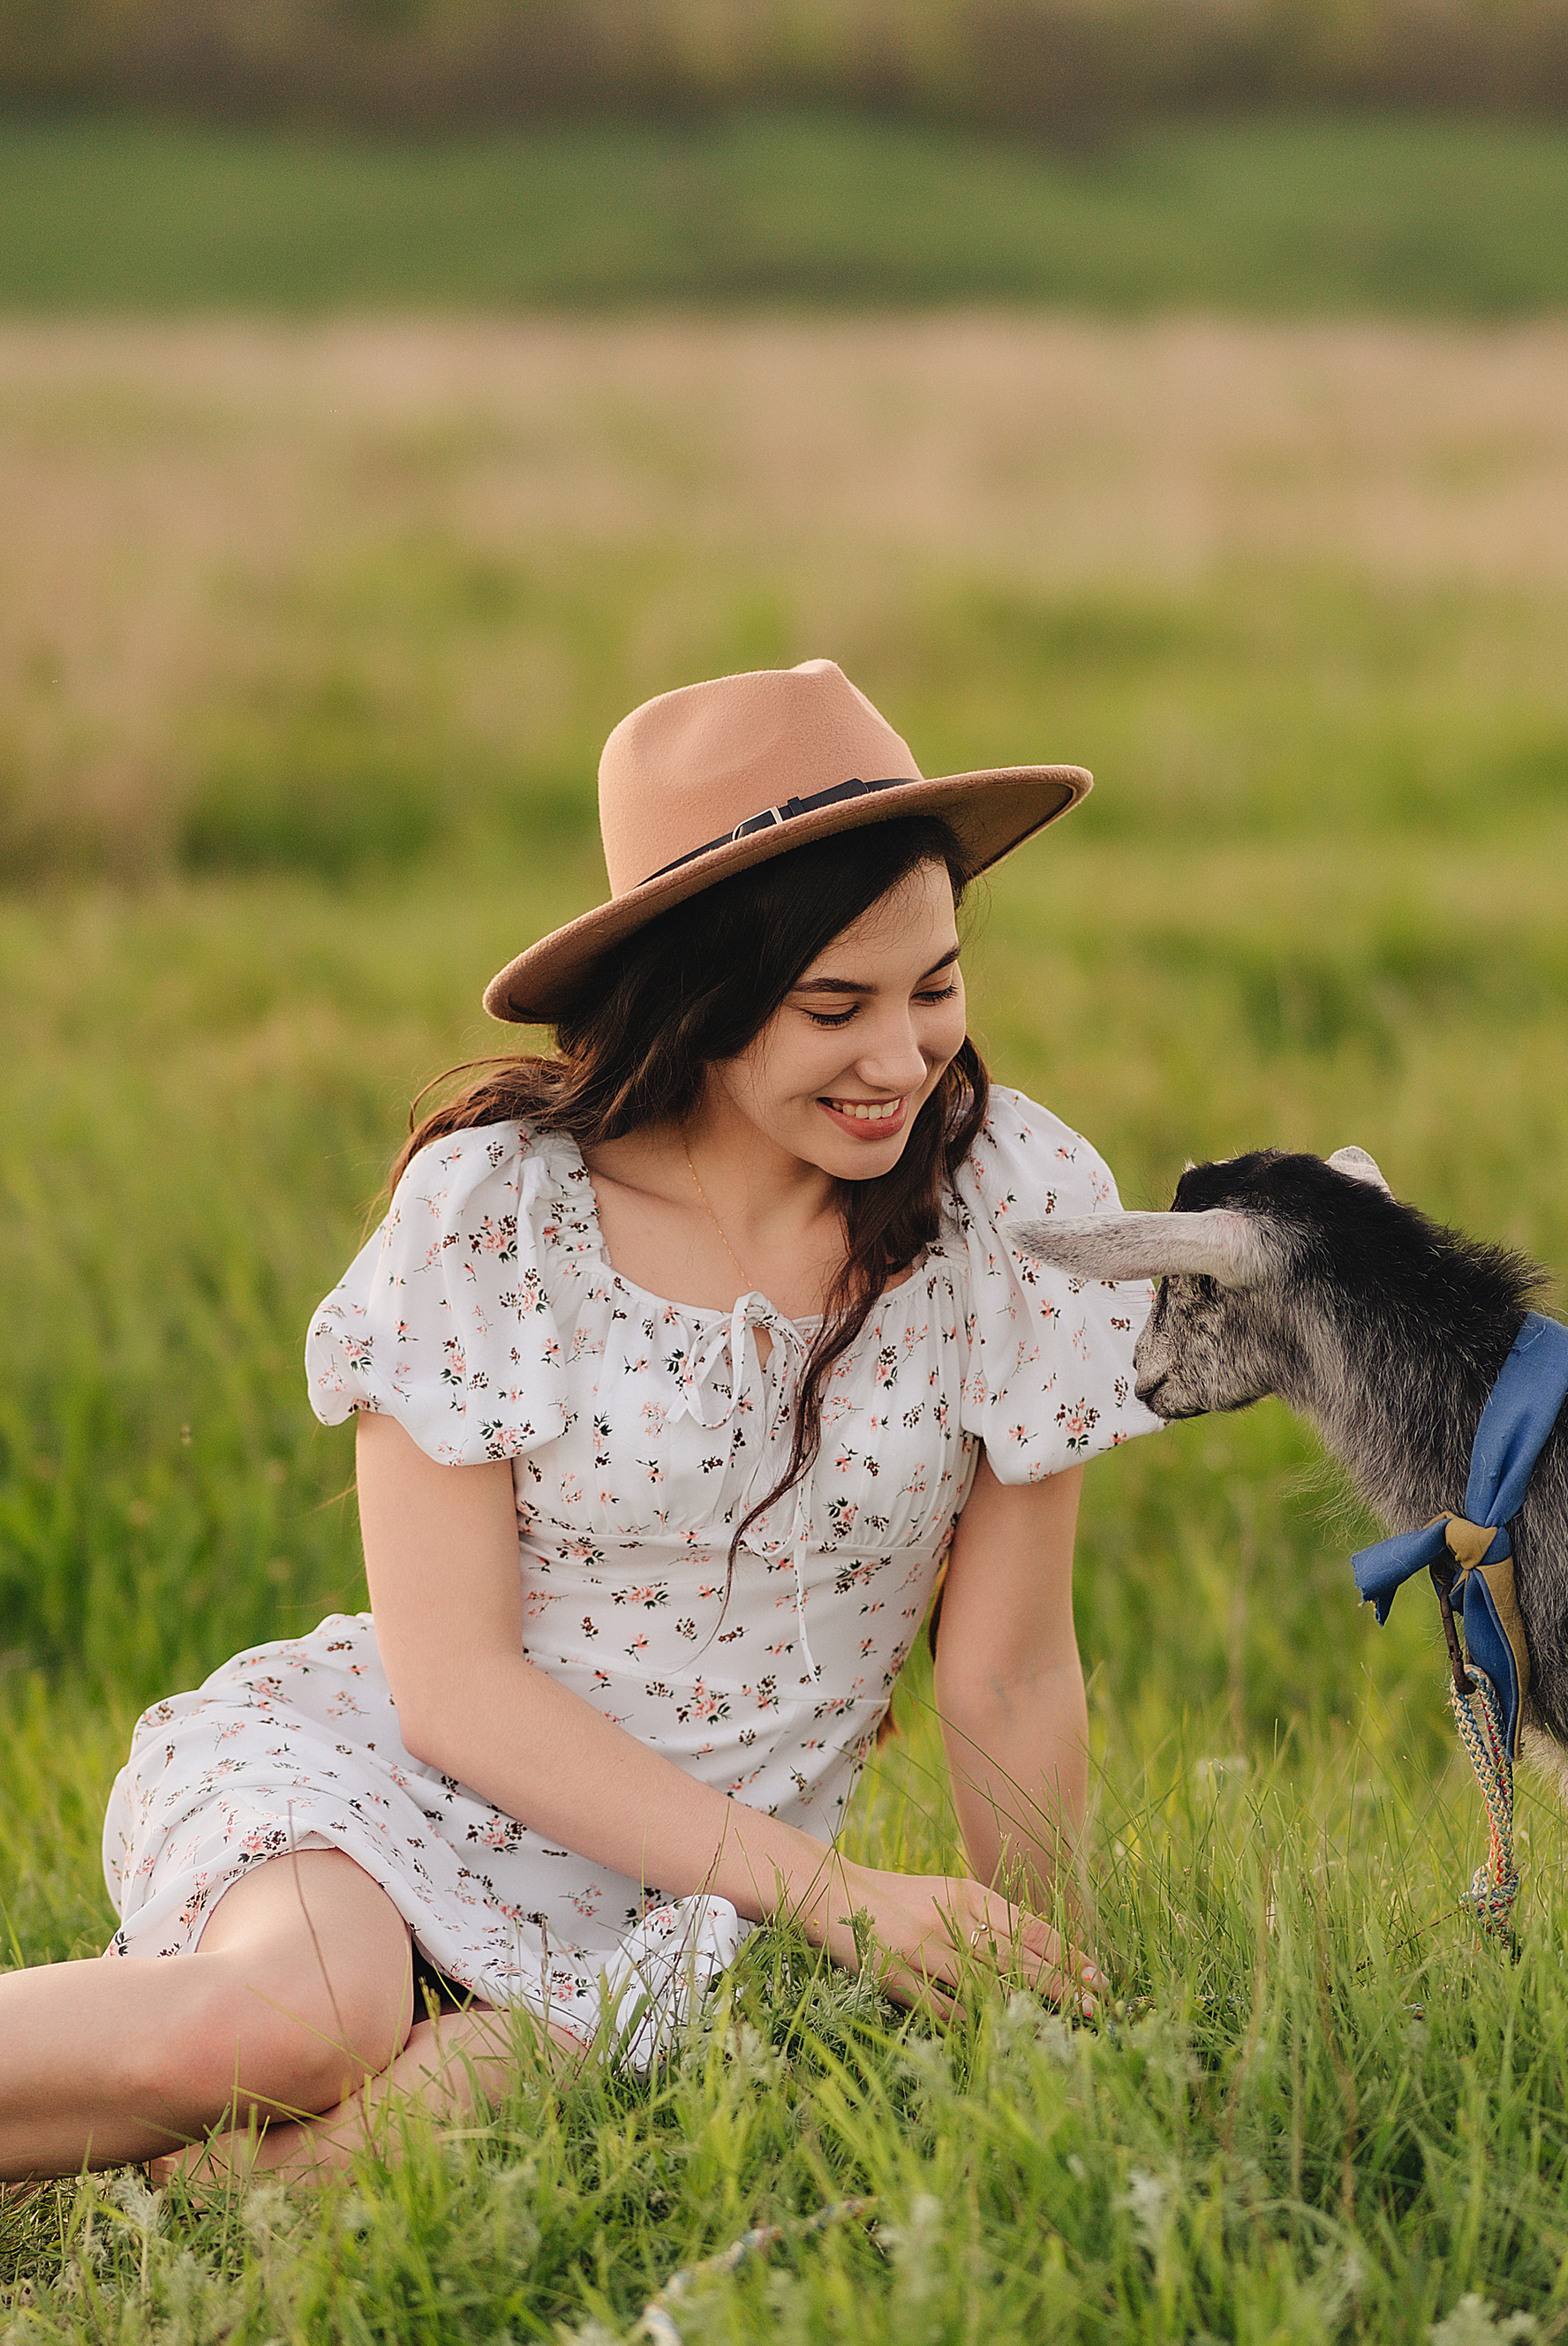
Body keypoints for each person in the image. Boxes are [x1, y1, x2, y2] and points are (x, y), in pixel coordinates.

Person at [0, 660, 1156, 2185]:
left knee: (416, 2135)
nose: (902, 1059)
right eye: (834, 1007)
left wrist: (1056, 2012)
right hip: (397, 1795)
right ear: (700, 994)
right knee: (300, 2026)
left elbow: (1008, 1674)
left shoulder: (1012, 1204)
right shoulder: (497, 1214)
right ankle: (193, 2079)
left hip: (686, 1911)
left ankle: (165, 2164)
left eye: (936, 986)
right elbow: (455, 1692)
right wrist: (838, 1891)